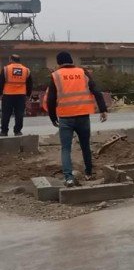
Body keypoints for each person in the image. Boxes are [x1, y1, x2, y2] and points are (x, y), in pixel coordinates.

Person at [47, 51, 108, 187]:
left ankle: (68, 178)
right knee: (85, 146)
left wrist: (52, 117)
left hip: (65, 117)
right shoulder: (83, 72)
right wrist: (103, 109)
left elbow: (51, 99)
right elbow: (96, 91)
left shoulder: (56, 75)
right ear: (71, 60)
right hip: (83, 115)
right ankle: (88, 173)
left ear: (58, 63)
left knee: (66, 148)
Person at [0, 54, 33, 136]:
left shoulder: (5, 69)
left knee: (6, 114)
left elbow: (1, 83)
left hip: (8, 95)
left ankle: (4, 131)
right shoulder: (26, 70)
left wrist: (0, 94)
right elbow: (30, 84)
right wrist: (28, 95)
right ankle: (17, 131)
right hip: (21, 96)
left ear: (11, 60)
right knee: (19, 113)